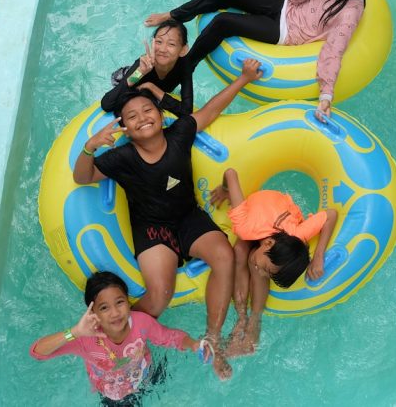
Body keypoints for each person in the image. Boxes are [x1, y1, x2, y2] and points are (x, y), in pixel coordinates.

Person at [73, 58, 263, 380]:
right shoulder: (122, 157)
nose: (142, 118)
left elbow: (211, 111)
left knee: (224, 255)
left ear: (160, 116)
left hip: (189, 218)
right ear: (125, 129)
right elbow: (82, 177)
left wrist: (243, 79)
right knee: (160, 295)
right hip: (152, 229)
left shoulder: (179, 134)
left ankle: (212, 339)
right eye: (131, 117)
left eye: (147, 111)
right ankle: (115, 339)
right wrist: (90, 147)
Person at [145, 0, 366, 122]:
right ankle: (173, 14)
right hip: (284, 3)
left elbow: (333, 52)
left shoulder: (349, 14)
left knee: (223, 22)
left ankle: (184, 68)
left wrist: (326, 95)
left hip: (285, 31)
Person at [209, 168, 338, 356]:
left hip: (278, 223)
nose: (262, 274)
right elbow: (230, 172)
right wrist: (225, 189)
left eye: (268, 274)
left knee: (255, 265)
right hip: (259, 213)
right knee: (239, 252)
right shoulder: (246, 225)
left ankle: (254, 322)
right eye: (266, 269)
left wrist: (318, 255)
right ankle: (241, 317)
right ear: (268, 243)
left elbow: (330, 216)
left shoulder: (296, 237)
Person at [30, 271, 208, 406]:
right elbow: (37, 352)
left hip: (148, 375)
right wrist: (75, 331)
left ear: (128, 302)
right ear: (93, 313)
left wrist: (193, 343)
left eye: (120, 302)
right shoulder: (85, 339)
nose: (115, 313)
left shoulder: (141, 322)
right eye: (104, 308)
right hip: (113, 395)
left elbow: (169, 337)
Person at [101, 20, 193, 116]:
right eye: (159, 42)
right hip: (132, 76)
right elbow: (107, 104)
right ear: (152, 43)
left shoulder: (184, 66)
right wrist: (140, 72)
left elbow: (187, 111)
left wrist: (151, 87)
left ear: (183, 50)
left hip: (152, 87)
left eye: (171, 44)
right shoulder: (142, 65)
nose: (162, 49)